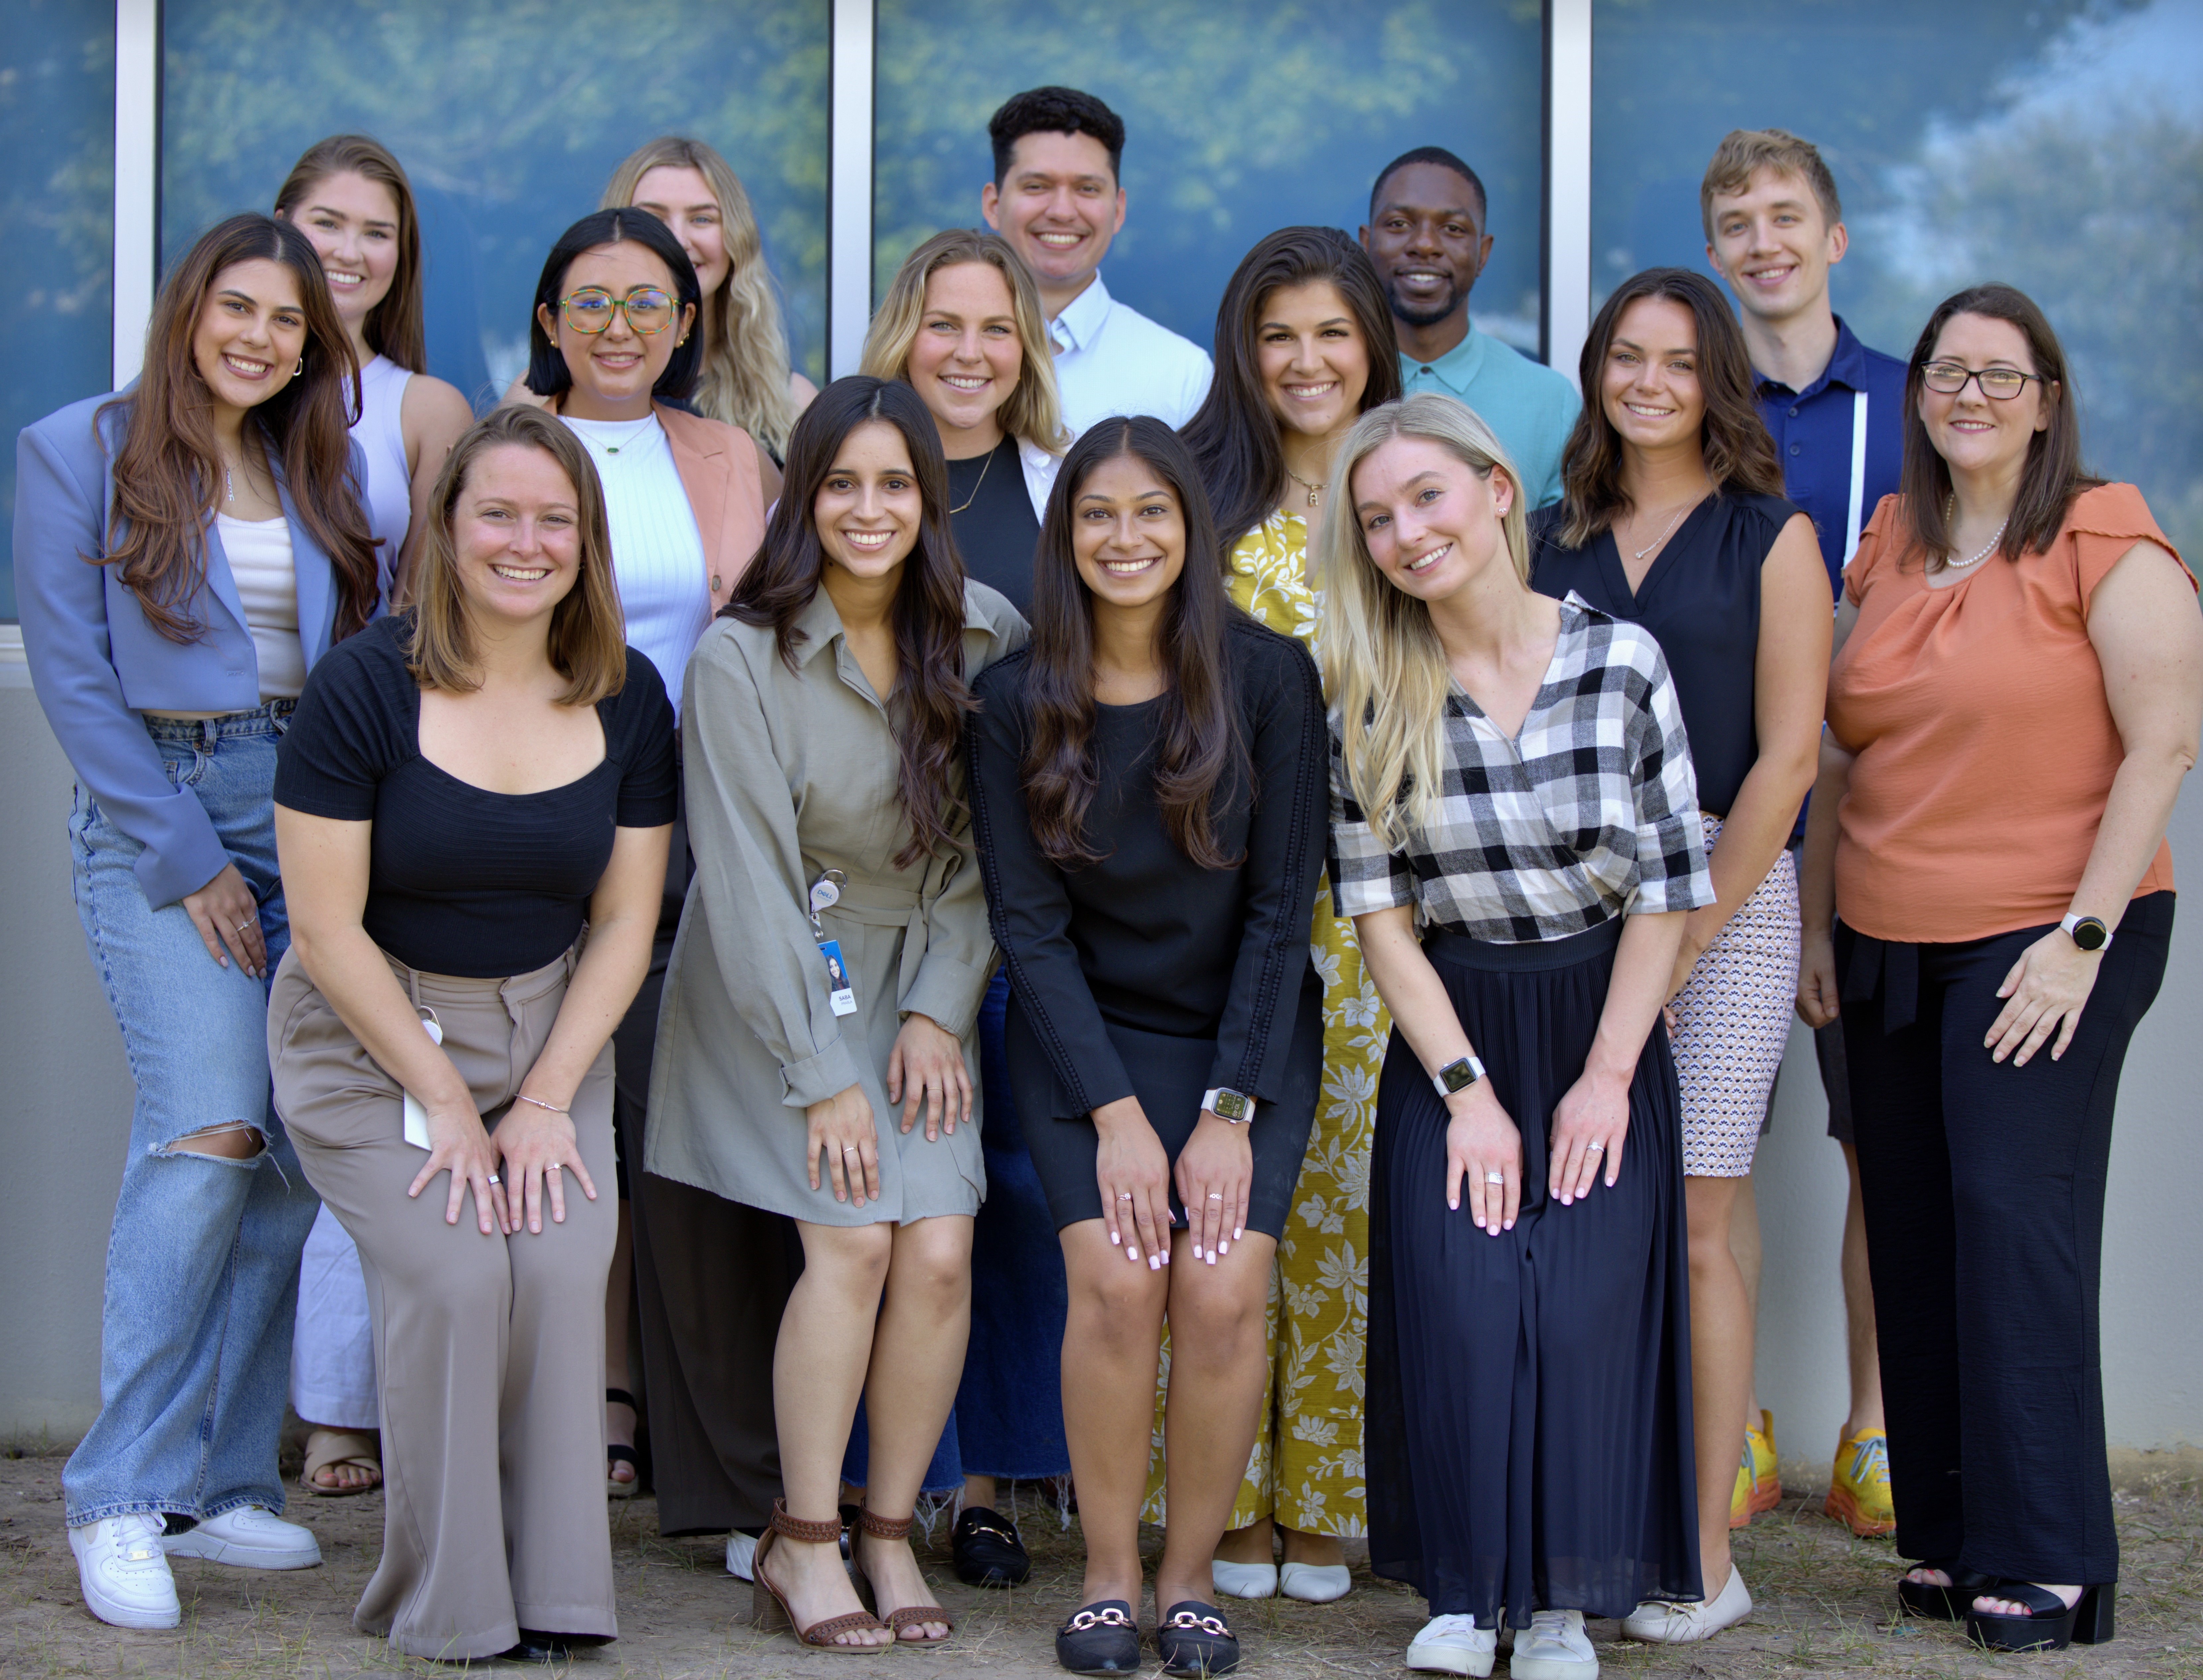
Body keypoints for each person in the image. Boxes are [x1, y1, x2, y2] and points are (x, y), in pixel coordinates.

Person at [1798, 284, 2199, 1654]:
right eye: (1943, 372)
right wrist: (1807, 926)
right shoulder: (1888, 541)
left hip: (2046, 932)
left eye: (1996, 373)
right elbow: (1843, 750)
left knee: (2009, 1215)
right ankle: (1955, 1535)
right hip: (1881, 936)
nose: (1966, 395)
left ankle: (2052, 1558)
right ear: (1914, 396)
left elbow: (2159, 745)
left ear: (2043, 396)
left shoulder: (2102, 531)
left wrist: (2077, 942)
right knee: (1909, 1221)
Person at [16, 211, 380, 1630]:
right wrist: (188, 859)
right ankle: (118, 1493)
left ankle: (225, 1487)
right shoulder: (77, 447)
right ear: (190, 309)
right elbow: (74, 676)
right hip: (164, 812)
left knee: (292, 1145)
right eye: (239, 308)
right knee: (211, 1123)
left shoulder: (312, 457)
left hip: (312, 813)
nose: (261, 338)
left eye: (288, 322)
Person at [269, 403, 673, 1661]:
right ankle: (448, 1602)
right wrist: (447, 1099)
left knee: (553, 1272)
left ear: (587, 541)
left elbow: (624, 923)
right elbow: (327, 933)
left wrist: (545, 1100)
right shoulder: (363, 689)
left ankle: (557, 1594)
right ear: (445, 530)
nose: (526, 541)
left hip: (552, 1039)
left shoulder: (627, 693)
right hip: (375, 1039)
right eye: (496, 512)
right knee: (455, 1274)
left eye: (555, 519)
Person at [1323, 392, 1710, 1680]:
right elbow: (1381, 924)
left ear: (1496, 489)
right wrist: (1466, 1094)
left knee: (1587, 1306)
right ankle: (1462, 1594)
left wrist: (1606, 1075)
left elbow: (1665, 888)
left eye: (1424, 496)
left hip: (1602, 1016)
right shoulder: (1368, 694)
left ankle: (1554, 1606)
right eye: (1375, 518)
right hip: (1457, 1029)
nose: (1402, 532)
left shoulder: (1623, 661)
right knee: (1470, 1302)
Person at [645, 375, 1025, 1651]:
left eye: (896, 484)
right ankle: (797, 1543)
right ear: (803, 499)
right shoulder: (740, 658)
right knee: (855, 1241)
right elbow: (747, 885)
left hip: (921, 980)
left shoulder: (986, 640)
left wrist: (934, 1012)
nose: (871, 510)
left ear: (931, 497)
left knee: (939, 1249)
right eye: (842, 484)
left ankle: (884, 1530)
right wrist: (824, 1071)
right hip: (776, 993)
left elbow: (988, 856)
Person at [968, 416, 1328, 1677]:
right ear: (1066, 537)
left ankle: (1189, 1582)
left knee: (1222, 1289)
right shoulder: (1013, 699)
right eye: (1097, 516)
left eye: (1152, 514)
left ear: (1193, 528)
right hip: (1089, 1046)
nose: (1126, 540)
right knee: (1121, 1283)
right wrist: (1117, 1117)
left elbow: (1285, 908)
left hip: (1243, 1035)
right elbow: (1027, 926)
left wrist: (1227, 1109)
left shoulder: (1270, 678)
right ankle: (1111, 1576)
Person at [1529, 268, 1829, 1644]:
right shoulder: (1545, 536)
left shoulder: (1769, 537)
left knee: (1700, 1224)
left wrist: (1696, 924)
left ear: (1714, 380)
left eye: (1673, 361)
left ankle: (1704, 1554)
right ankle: (1579, 1525)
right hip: (1570, 907)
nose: (1645, 382)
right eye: (1623, 358)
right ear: (1596, 373)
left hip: (1731, 899)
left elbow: (1785, 759)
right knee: (1582, 1230)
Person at [517, 205, 780, 1511]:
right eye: (590, 301)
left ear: (688, 324)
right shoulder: (502, 442)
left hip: (681, 832)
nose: (617, 328)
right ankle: (566, 1403)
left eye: (647, 303)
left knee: (653, 1125)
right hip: (523, 823)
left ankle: (674, 1428)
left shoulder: (727, 453)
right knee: (545, 1117)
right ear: (549, 319)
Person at [1180, 224, 1399, 1604]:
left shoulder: (1412, 496)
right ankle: (1213, 1501)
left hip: (1380, 911)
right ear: (1241, 353)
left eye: (1330, 333)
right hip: (1224, 909)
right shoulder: (1199, 502)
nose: (1305, 361)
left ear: (1371, 340)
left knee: (1340, 1207)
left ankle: (1321, 1493)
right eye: (1278, 337)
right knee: (1224, 1207)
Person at [1701, 127, 1910, 1537]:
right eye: (1735, 223)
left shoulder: (1913, 404)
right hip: (1728, 825)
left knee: (1874, 1142)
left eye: (1786, 217)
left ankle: (1877, 1424)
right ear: (1716, 254)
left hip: (1884, 829)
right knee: (1710, 1135)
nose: (1762, 241)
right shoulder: (1693, 414)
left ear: (1833, 238)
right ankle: (1733, 1423)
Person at [857, 226, 1071, 1581]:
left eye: (996, 329)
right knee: (877, 1204)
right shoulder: (855, 470)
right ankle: (867, 1476)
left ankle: (982, 1479)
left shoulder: (1063, 483)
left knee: (1006, 1189)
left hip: (1023, 902)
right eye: (944, 325)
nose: (969, 352)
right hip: (881, 904)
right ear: (903, 330)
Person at [272, 131, 477, 1498]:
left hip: (372, 768)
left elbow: (444, 598)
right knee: (250, 1118)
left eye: (378, 234)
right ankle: (281, 1405)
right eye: (327, 224)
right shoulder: (231, 389)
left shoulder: (420, 404)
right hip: (233, 770)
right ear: (281, 230)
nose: (351, 253)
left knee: (386, 1086)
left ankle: (356, 1404)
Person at [981, 85, 1211, 434]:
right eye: (1037, 186)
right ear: (993, 206)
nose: (1061, 212)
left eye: (1087, 189)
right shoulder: (935, 362)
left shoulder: (1181, 376)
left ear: (1118, 210)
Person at [1360, 147, 1579, 508]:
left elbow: (1570, 554)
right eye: (1399, 224)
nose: (1425, 244)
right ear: (1367, 243)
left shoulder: (1550, 403)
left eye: (1453, 229)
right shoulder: (1329, 389)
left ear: (1483, 253)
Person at [603, 134, 819, 462]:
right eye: (653, 218)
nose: (677, 240)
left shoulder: (793, 402)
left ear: (737, 239)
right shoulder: (553, 396)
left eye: (702, 219)